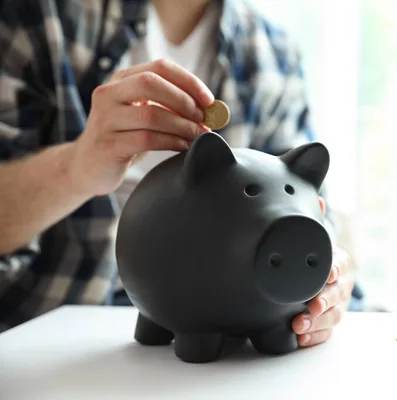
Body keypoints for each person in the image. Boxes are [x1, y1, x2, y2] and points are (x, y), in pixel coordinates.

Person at [0, 0, 365, 346]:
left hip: (230, 340)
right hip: (45, 332)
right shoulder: (35, 16)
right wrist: (77, 166)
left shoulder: (273, 54)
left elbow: (311, 210)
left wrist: (329, 282)